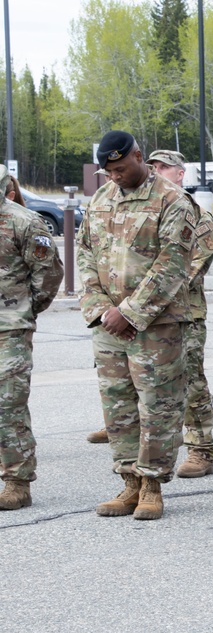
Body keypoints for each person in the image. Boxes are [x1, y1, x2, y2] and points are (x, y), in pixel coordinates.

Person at [78, 130, 197, 521]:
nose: (115, 176)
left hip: (156, 325)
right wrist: (100, 310)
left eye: (120, 167)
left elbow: (173, 264)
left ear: (138, 157)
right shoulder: (100, 199)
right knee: (118, 404)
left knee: (158, 405)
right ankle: (128, 480)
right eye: (108, 171)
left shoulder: (172, 200)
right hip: (108, 325)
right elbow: (85, 255)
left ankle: (151, 484)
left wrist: (129, 312)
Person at [141, 150, 213, 478]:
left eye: (163, 167)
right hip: (144, 313)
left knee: (189, 380)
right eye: (153, 167)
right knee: (144, 379)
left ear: (180, 173)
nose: (157, 172)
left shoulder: (196, 214)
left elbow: (195, 264)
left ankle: (201, 448)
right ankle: (142, 441)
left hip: (183, 313)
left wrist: (154, 293)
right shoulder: (147, 209)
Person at [0, 166, 64, 510]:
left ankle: (17, 482)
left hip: (9, 327)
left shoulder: (24, 222)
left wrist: (24, 310)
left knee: (7, 404)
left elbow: (49, 273)